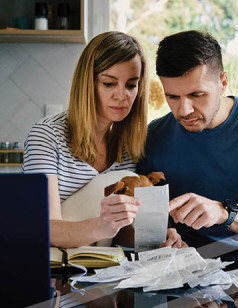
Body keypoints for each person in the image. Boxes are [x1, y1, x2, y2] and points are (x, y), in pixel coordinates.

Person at [137, 30, 238, 266]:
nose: (183, 110)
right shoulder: (153, 135)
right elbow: (146, 224)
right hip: (181, 269)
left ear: (223, 83)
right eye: (172, 97)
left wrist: (225, 213)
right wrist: (159, 237)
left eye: (197, 94)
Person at [23, 31, 185, 249]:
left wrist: (155, 238)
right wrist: (100, 226)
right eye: (109, 83)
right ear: (88, 83)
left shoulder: (128, 146)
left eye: (131, 85)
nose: (122, 95)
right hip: (54, 268)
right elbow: (42, 228)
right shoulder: (46, 136)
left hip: (103, 268)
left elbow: (118, 234)